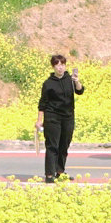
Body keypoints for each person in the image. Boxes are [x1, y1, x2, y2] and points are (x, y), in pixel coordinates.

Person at [35, 54, 84, 183]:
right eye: (57, 65)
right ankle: (49, 175)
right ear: (53, 67)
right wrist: (39, 120)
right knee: (52, 146)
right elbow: (43, 103)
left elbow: (80, 91)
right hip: (52, 117)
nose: (60, 68)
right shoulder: (48, 83)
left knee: (64, 145)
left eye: (62, 65)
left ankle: (60, 172)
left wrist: (76, 80)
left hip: (68, 117)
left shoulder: (70, 79)